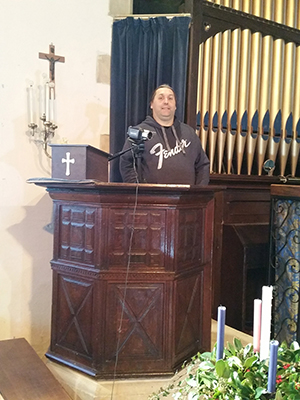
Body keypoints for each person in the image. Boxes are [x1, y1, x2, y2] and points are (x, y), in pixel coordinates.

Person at [119, 84, 210, 185]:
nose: (166, 102)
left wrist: (199, 192)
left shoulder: (189, 133)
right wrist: (139, 191)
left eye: (170, 98)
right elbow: (127, 164)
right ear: (151, 104)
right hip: (150, 199)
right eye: (161, 98)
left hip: (187, 198)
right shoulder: (139, 133)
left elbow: (203, 165)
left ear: (175, 106)